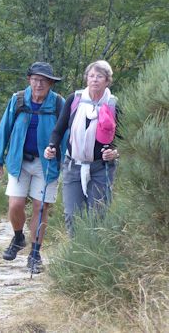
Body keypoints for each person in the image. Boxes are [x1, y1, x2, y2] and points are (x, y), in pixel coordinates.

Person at [0, 62, 65, 273]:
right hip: (19, 161)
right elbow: (4, 129)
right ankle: (18, 238)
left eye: (43, 80)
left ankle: (35, 254)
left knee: (40, 208)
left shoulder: (58, 104)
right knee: (15, 205)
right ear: (29, 80)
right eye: (35, 79)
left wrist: (63, 159)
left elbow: (65, 134)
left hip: (47, 164)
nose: (38, 84)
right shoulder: (18, 100)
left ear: (51, 83)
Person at [44, 60, 119, 237]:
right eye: (91, 76)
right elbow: (59, 129)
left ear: (107, 81)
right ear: (86, 78)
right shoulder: (75, 99)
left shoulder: (113, 104)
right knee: (71, 214)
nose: (94, 80)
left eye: (100, 76)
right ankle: (75, 254)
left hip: (102, 167)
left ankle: (94, 255)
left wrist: (115, 152)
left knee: (98, 215)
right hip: (73, 165)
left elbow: (123, 139)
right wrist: (51, 146)